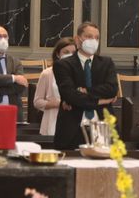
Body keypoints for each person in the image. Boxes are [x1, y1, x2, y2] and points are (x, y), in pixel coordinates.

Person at [53, 22, 119, 150]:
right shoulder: (63, 65)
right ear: (78, 39)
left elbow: (112, 89)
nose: (93, 40)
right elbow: (70, 95)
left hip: (103, 126)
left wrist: (86, 91)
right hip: (72, 128)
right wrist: (101, 100)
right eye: (89, 36)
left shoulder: (106, 63)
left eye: (96, 37)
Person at [34, 38, 77, 137]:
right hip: (53, 121)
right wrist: (57, 104)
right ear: (58, 54)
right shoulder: (47, 73)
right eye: (66, 52)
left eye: (73, 53)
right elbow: (37, 102)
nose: (70, 55)